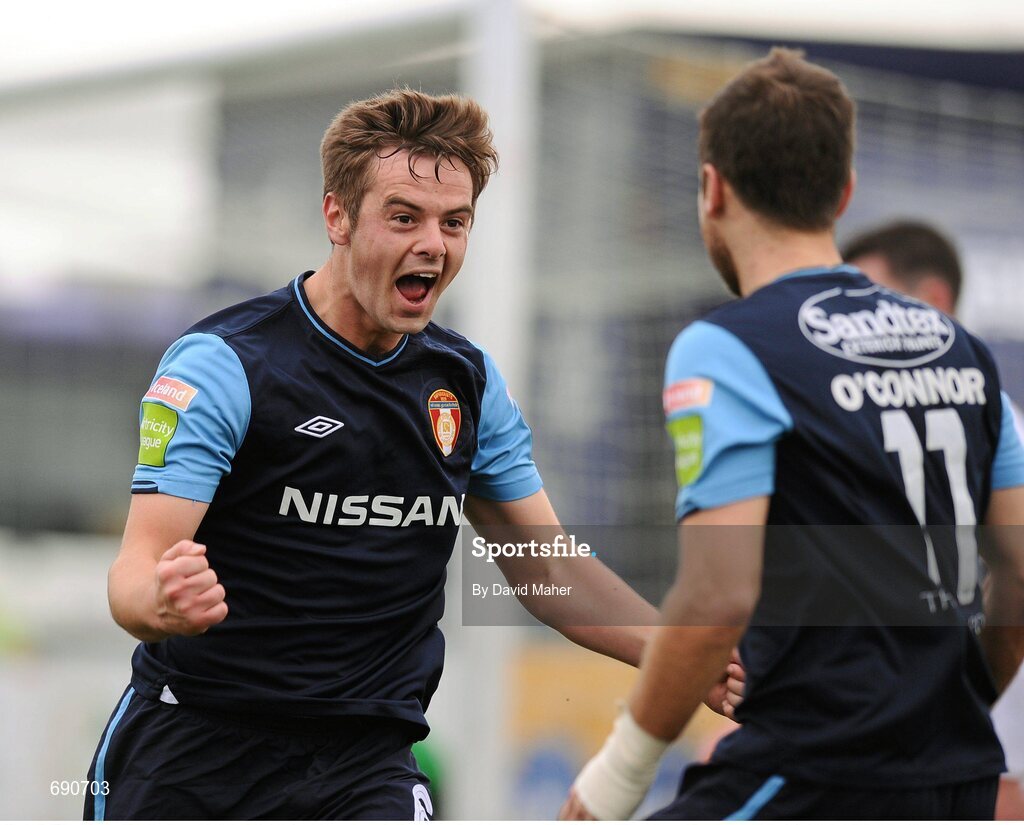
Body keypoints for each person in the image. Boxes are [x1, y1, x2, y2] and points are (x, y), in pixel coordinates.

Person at [84, 88, 678, 821]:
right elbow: (135, 571)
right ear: (337, 215)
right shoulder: (226, 364)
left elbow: (550, 569)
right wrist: (160, 602)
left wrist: (685, 652)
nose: (434, 243)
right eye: (404, 217)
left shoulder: (467, 384)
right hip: (194, 756)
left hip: (365, 766)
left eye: (454, 222)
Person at [561, 48, 1024, 820]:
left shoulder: (729, 347)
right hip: (959, 783)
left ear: (712, 189)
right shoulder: (964, 351)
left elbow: (717, 593)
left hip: (814, 772)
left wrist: (620, 773)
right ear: (842, 193)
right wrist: (948, 708)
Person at [843, 220, 1024, 820]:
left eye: (869, 298)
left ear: (933, 302)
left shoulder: (996, 424)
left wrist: (991, 723)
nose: (851, 323)